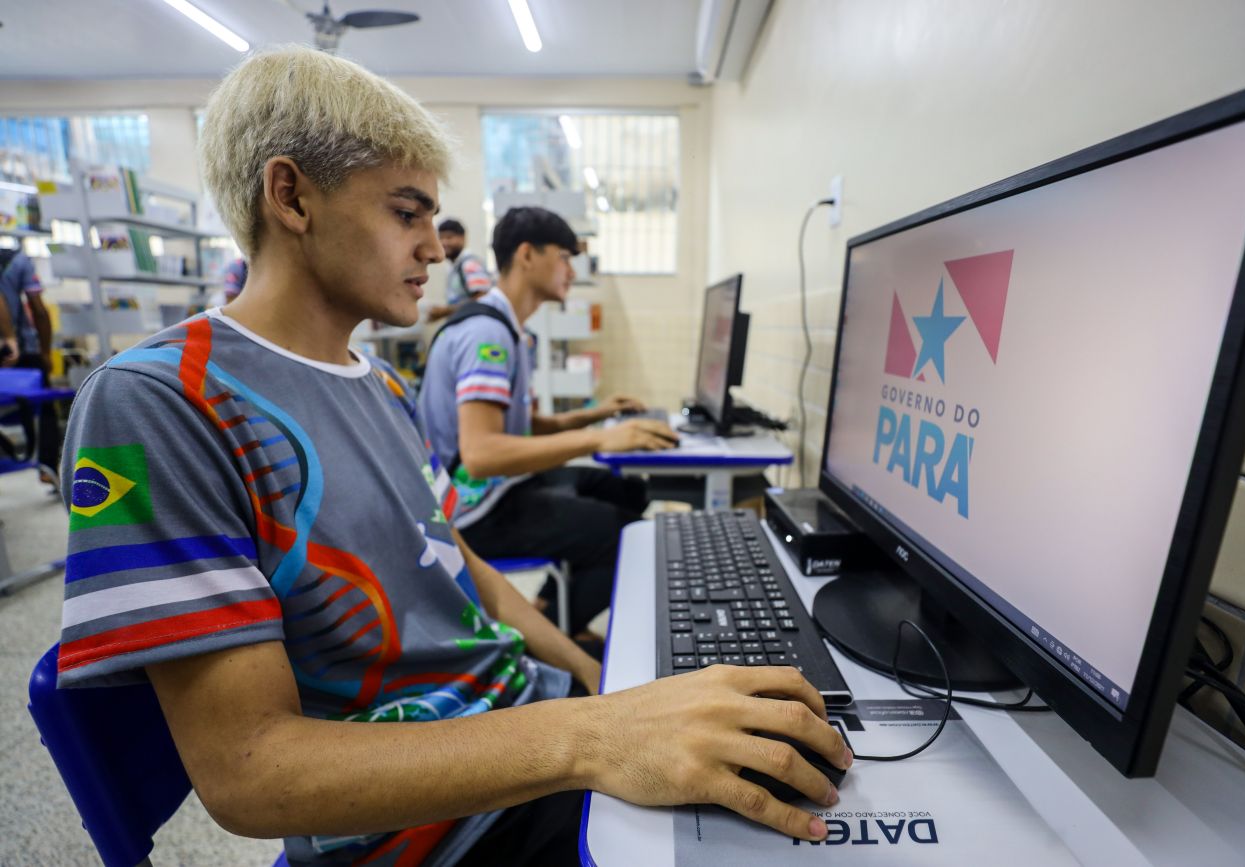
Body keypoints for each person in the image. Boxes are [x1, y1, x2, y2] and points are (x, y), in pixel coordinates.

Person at [55, 45, 847, 867]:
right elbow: (251, 772)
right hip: (434, 830)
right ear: (292, 196)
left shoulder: (377, 387)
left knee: (798, 762)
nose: (437, 249)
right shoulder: (159, 400)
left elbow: (462, 567)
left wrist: (599, 682)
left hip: (521, 734)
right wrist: (593, 732)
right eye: (408, 213)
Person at [417, 206, 679, 635]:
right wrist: (598, 440)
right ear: (527, 255)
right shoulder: (489, 336)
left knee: (627, 490)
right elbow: (483, 454)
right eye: (564, 256)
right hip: (471, 511)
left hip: (498, 489)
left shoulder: (507, 328)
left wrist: (595, 416)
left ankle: (551, 604)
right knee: (626, 535)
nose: (572, 271)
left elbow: (515, 424)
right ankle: (548, 637)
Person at [0, 246, 59, 478]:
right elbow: (39, 310)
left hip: (10, 347)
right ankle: (47, 467)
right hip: (21, 348)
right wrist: (45, 352)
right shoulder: (17, 260)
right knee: (43, 407)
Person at [425, 218, 492, 323]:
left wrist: (445, 311)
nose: (444, 243)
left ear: (463, 238)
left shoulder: (469, 264)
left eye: (449, 237)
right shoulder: (455, 266)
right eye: (441, 238)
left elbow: (482, 299)